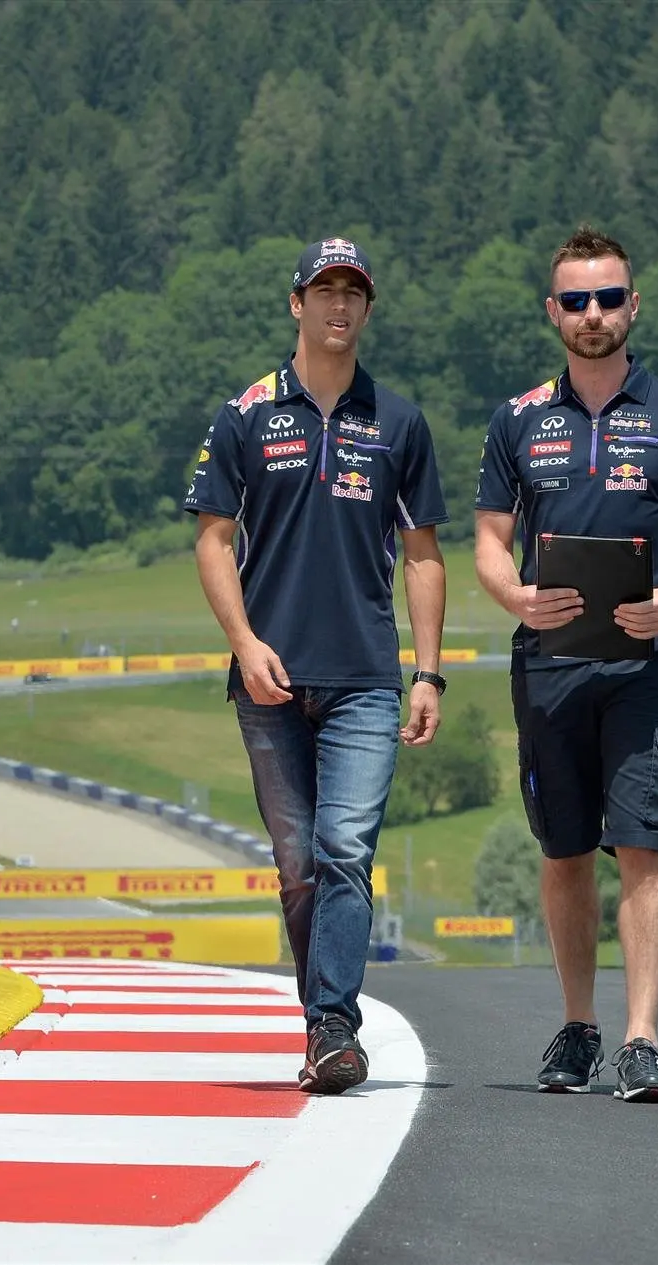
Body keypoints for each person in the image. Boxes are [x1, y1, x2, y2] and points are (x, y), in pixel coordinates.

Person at [474, 225, 658, 1104]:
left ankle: (641, 1038)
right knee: (563, 850)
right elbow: (486, 542)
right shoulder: (516, 421)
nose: (595, 314)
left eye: (610, 297)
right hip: (548, 663)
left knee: (646, 845)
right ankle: (579, 1024)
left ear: (635, 305)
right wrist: (515, 596)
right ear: (553, 312)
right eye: (578, 300)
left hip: (648, 666)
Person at [184, 235, 449, 1096]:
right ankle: (322, 1025)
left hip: (368, 675)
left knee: (343, 848)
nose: (339, 305)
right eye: (324, 289)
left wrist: (428, 671)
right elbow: (213, 539)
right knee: (297, 862)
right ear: (295, 303)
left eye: (354, 292)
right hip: (268, 678)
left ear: (368, 309)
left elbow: (423, 556)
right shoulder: (247, 413)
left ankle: (335, 1023)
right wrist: (243, 641)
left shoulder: (399, 421)